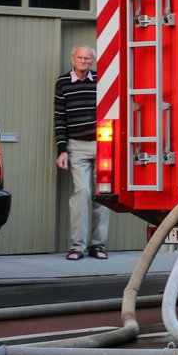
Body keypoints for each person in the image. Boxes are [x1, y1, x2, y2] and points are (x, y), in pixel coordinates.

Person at [54, 45, 108, 260]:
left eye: (88, 58)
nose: (84, 61)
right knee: (82, 192)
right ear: (72, 59)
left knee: (102, 195)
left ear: (93, 61)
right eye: (80, 57)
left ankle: (99, 245)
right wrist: (62, 150)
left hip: (103, 145)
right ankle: (77, 246)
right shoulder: (62, 83)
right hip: (76, 146)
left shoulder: (101, 81)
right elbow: (59, 117)